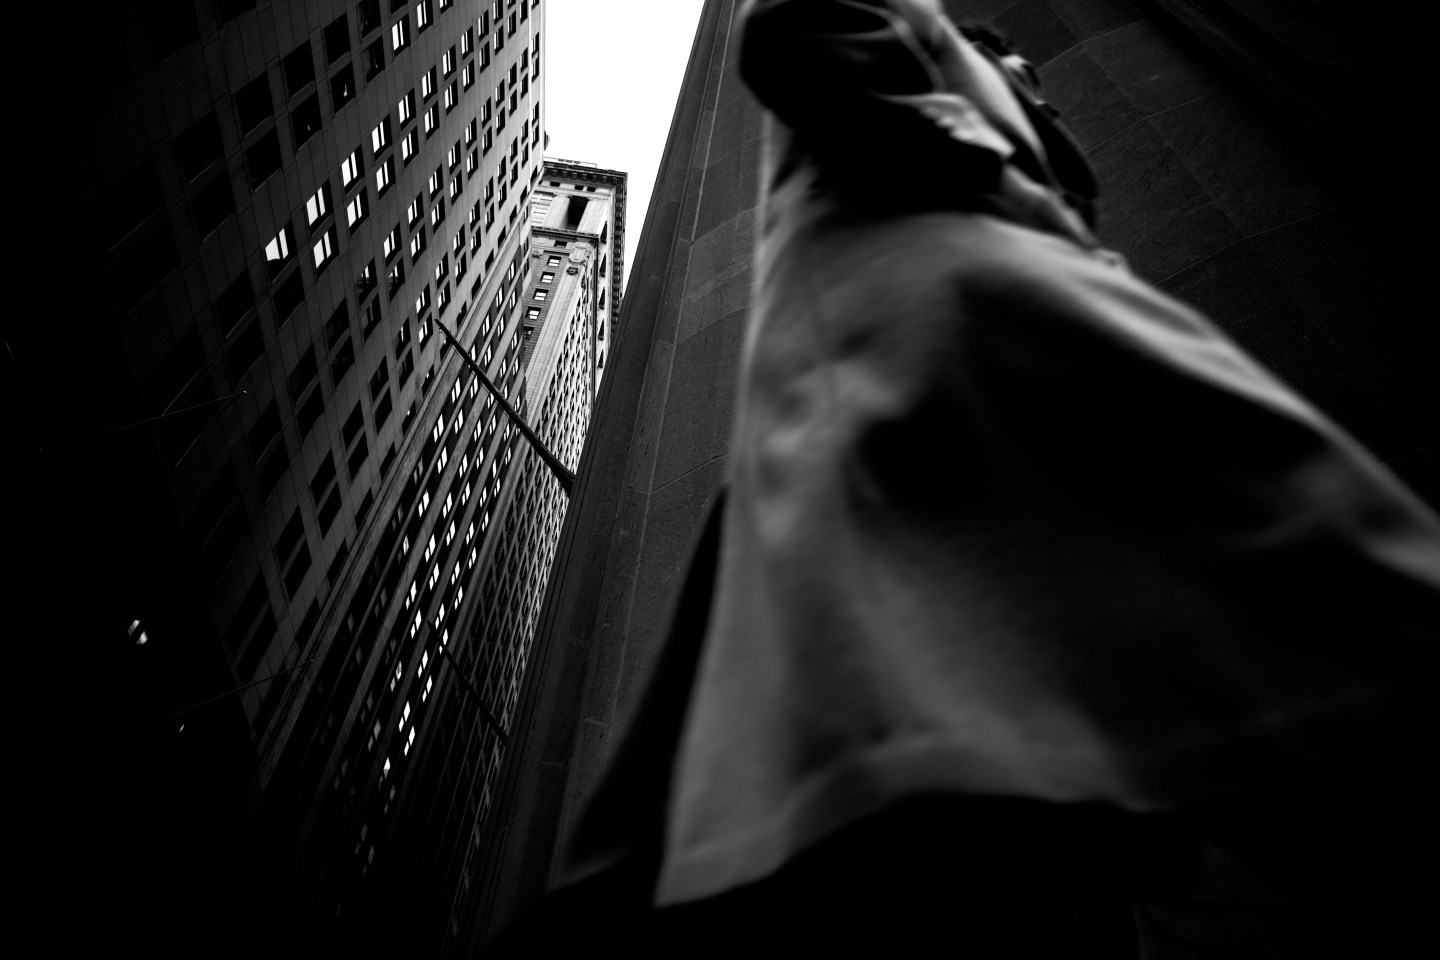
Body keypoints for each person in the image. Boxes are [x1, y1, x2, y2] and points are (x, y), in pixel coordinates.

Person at [492, 1, 1440, 955]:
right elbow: (800, 25)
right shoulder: (932, 96)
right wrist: (982, 164)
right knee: (1315, 582)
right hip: (973, 332)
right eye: (1021, 76)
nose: (1041, 94)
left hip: (953, 375)